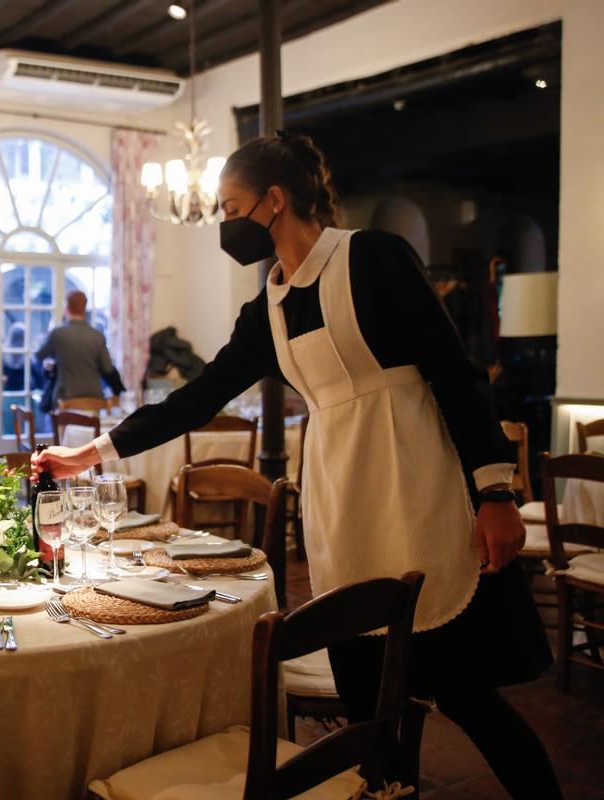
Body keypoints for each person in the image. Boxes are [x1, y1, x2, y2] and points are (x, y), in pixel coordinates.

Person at [34, 131, 559, 799]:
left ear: (274, 201)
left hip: (420, 485)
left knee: (467, 695)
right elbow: (199, 396)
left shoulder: (373, 259)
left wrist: (495, 491)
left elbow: (456, 375)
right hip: (343, 500)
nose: (224, 223)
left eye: (229, 207)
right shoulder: (270, 307)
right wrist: (95, 451)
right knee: (368, 698)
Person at [35, 290, 123, 403]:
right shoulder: (97, 336)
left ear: (67, 308)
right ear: (85, 308)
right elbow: (107, 368)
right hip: (94, 398)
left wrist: (50, 365)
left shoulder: (58, 334)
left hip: (65, 398)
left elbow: (38, 356)